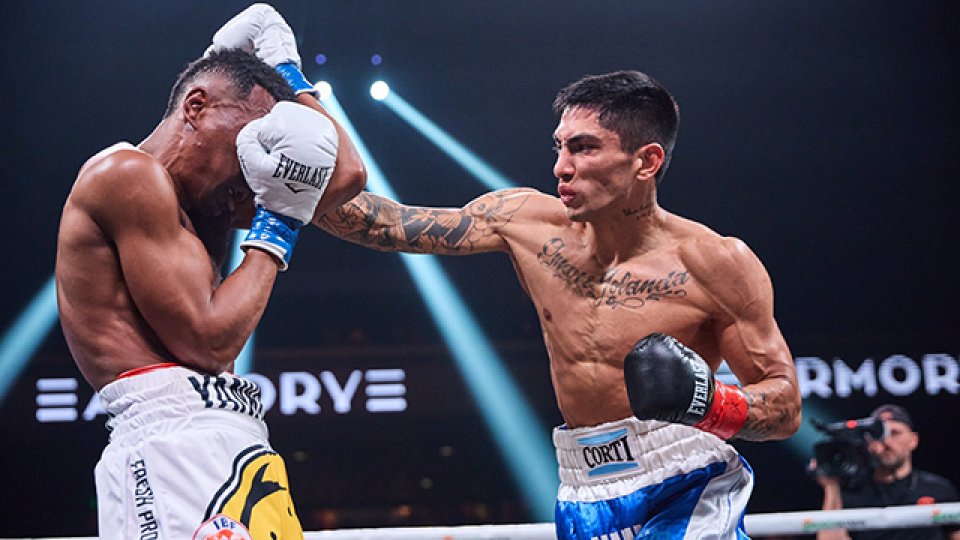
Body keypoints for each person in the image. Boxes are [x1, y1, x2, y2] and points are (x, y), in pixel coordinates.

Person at [315, 70, 801, 538]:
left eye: (584, 147)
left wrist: (713, 403)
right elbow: (386, 225)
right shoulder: (527, 224)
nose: (561, 167)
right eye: (560, 146)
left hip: (685, 475)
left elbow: (785, 405)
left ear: (646, 161)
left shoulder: (713, 262)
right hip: (582, 485)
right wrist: (296, 166)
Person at [55, 5, 365, 539]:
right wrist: (281, 223)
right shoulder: (127, 175)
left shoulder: (214, 203)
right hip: (167, 445)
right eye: (248, 137)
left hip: (238, 445)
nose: (255, 160)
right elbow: (209, 341)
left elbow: (346, 173)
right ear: (196, 107)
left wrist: (288, 68)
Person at [814, 404, 960, 540]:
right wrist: (831, 487)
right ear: (868, 443)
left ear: (913, 440)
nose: (887, 442)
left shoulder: (938, 489)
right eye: (878, 434)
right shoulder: (850, 492)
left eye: (895, 433)